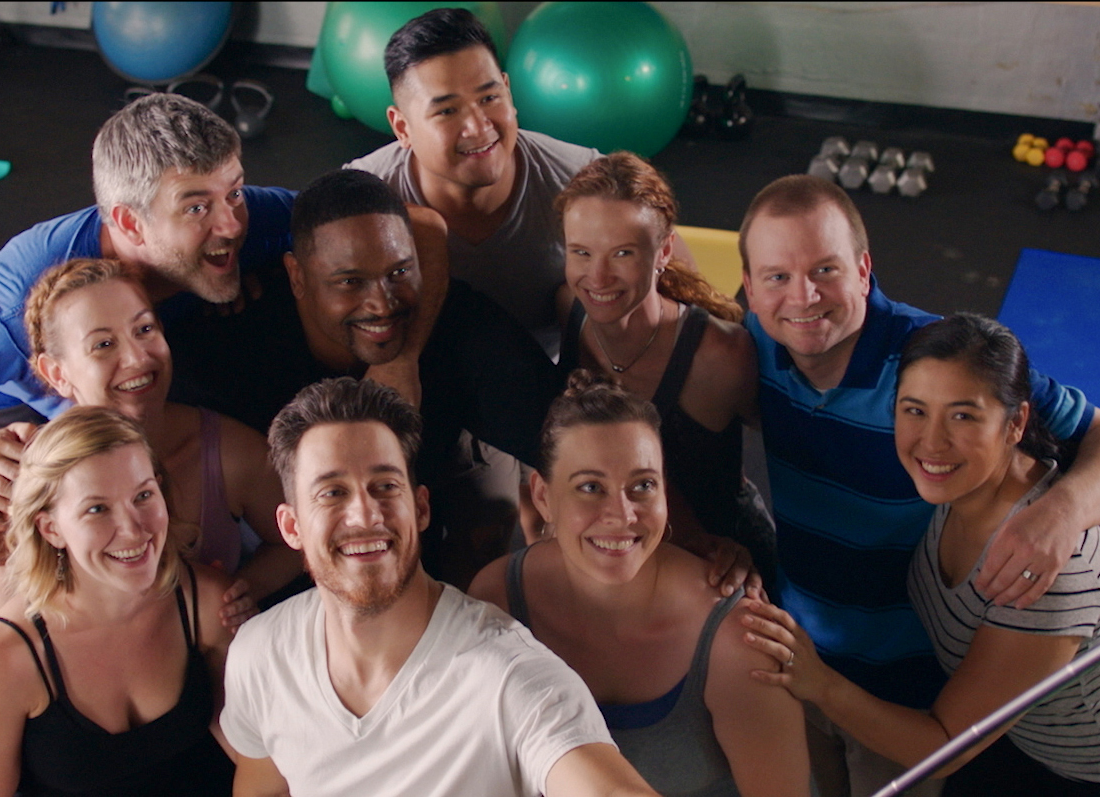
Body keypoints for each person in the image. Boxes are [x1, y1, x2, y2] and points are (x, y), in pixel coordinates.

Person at [736, 175, 1100, 796]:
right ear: (749, 287)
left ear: (864, 270)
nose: (803, 297)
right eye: (777, 276)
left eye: (825, 270)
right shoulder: (756, 344)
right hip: (804, 655)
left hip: (913, 689)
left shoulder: (938, 361)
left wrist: (1060, 512)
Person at [222, 377, 658, 797]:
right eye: (332, 493)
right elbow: (263, 787)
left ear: (421, 509)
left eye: (385, 486)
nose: (365, 515)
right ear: (292, 527)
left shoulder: (510, 676)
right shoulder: (260, 655)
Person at [0, 93, 295, 527]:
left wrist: (268, 270)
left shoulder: (252, 220)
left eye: (234, 192)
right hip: (28, 410)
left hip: (150, 376)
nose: (231, 225)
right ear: (129, 223)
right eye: (196, 208)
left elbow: (341, 210)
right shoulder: (15, 303)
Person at [189, 168, 561, 588]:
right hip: (291, 581)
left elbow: (568, 442)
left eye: (399, 273)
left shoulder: (459, 326)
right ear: (297, 277)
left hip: (423, 566)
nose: (382, 305)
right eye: (350, 282)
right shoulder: (234, 348)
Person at [469, 371, 810, 797]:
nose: (622, 515)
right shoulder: (498, 598)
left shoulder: (737, 637)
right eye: (590, 487)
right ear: (542, 497)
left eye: (642, 485)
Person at [0, 258, 300, 624]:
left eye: (144, 329)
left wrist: (242, 590)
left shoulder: (229, 453)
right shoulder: (25, 476)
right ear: (57, 373)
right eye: (103, 344)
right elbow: (1, 624)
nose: (136, 358)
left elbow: (299, 538)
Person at [0, 406, 236, 797]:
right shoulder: (8, 655)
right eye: (97, 509)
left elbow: (257, 759)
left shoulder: (207, 603)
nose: (133, 530)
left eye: (143, 496)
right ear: (51, 529)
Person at [553, 152, 769, 591]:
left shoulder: (721, 355)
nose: (598, 276)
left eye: (622, 253)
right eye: (581, 253)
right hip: (617, 552)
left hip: (721, 566)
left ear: (664, 251)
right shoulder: (568, 309)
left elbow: (797, 449)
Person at [345, 6, 601, 356]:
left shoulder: (585, 181)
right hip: (420, 363)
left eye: (489, 98)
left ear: (508, 92)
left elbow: (669, 284)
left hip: (553, 371)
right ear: (403, 128)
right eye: (447, 110)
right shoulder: (360, 197)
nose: (479, 127)